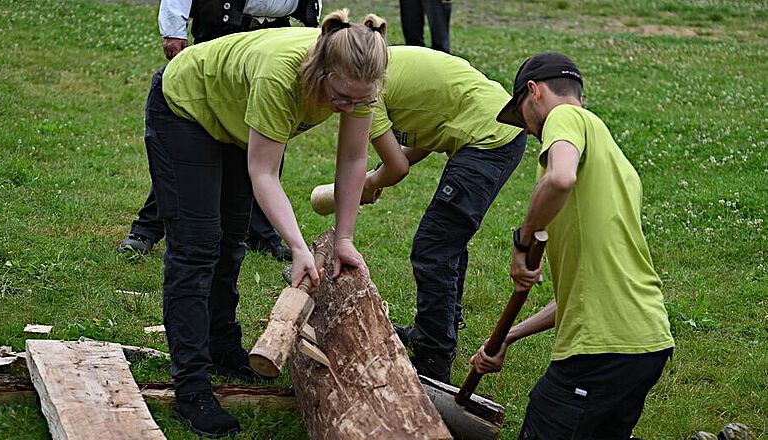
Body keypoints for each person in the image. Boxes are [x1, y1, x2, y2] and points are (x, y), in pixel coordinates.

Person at [142, 11, 387, 436]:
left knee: (232, 237)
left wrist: (344, 237)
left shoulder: (360, 76)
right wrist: (297, 247)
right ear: (322, 70)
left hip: (238, 121)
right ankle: (192, 387)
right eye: (342, 98)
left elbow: (352, 158)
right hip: (185, 108)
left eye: (359, 101)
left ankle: (222, 346)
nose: (348, 107)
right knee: (196, 248)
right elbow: (264, 173)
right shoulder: (282, 75)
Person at [469, 52, 675, 439]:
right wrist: (507, 338)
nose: (528, 132)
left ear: (535, 92)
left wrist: (523, 239)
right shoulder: (613, 161)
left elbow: (559, 178)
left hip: (602, 352)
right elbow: (581, 297)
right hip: (645, 339)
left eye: (523, 116)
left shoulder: (566, 117)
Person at [355, 46, 526, 384]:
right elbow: (431, 128)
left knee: (435, 246)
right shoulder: (376, 69)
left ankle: (433, 356)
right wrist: (377, 175)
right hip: (493, 129)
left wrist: (371, 182)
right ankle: (436, 331)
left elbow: (397, 166)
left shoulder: (363, 89)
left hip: (488, 137)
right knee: (446, 241)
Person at [118, 0, 322, 259]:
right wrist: (174, 27)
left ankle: (260, 232)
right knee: (199, 139)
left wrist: (313, 19)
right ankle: (147, 227)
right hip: (225, 28)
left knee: (265, 138)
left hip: (276, 32)